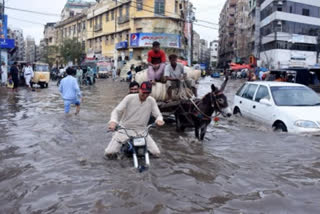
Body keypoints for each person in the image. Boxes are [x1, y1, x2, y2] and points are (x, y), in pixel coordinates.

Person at [105, 81, 165, 158]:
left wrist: (159, 120)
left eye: (147, 93)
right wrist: (113, 122)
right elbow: (117, 111)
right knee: (109, 153)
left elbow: (158, 115)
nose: (145, 95)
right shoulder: (129, 98)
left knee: (156, 153)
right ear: (139, 90)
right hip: (125, 129)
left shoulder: (151, 101)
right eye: (143, 92)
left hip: (142, 131)